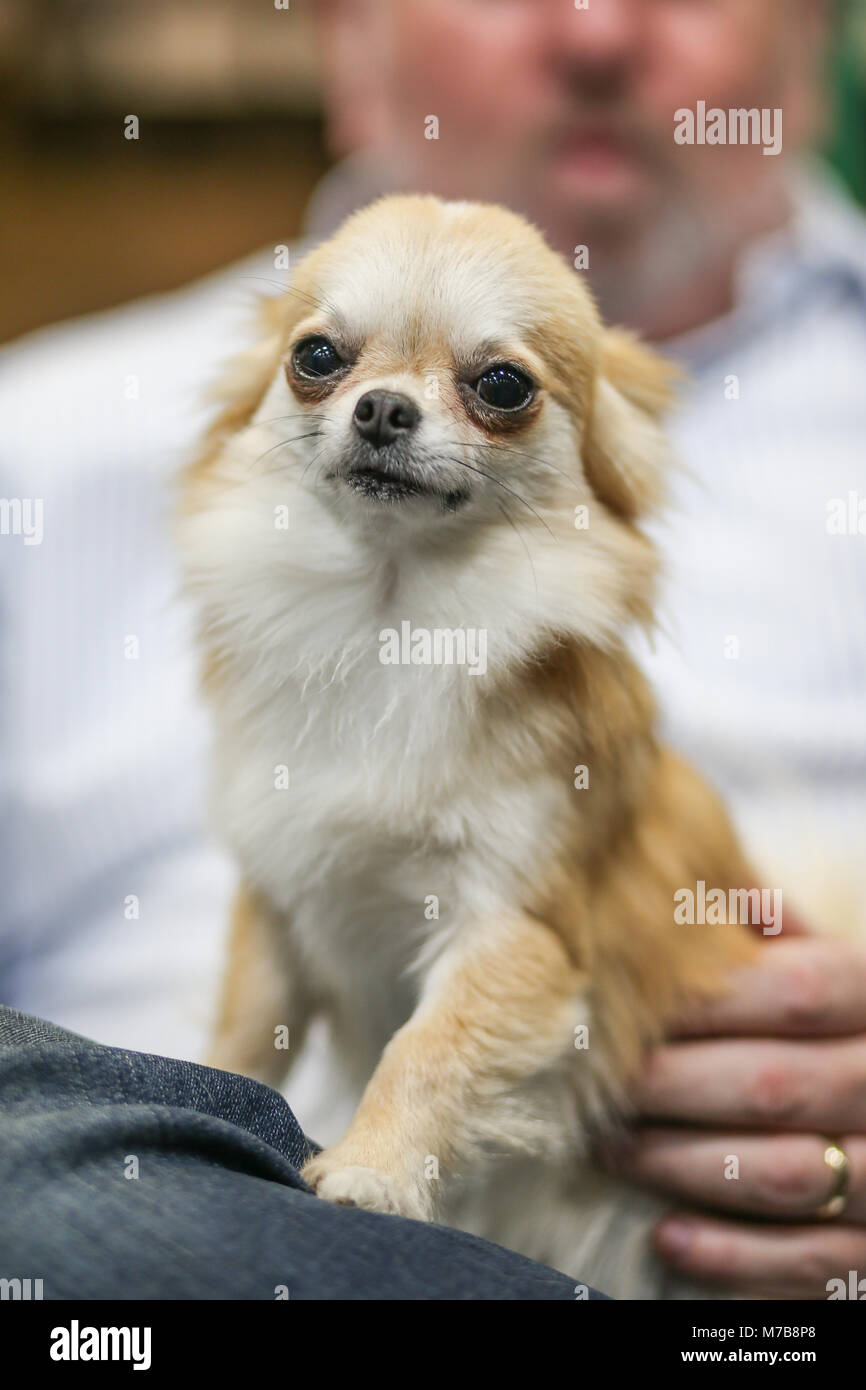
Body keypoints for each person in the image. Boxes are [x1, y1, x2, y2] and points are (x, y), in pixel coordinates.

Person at [0, 0, 864, 1297]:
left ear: (816, 44)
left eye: (498, 388)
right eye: (323, 363)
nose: (593, 30)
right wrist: (181, 1134)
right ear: (342, 37)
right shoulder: (40, 439)